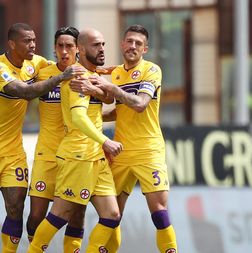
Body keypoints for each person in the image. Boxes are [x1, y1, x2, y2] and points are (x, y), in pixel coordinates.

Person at [0, 22, 84, 253]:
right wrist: (61, 77)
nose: (32, 45)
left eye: (34, 40)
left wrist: (98, 70)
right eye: (26, 41)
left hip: (13, 150)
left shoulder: (36, 63)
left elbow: (62, 65)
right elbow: (25, 91)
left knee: (16, 205)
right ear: (12, 44)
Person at [69, 24, 178, 253]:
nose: (133, 46)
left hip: (149, 150)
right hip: (120, 150)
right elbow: (120, 109)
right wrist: (90, 115)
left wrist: (112, 89)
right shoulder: (116, 72)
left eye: (138, 43)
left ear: (145, 49)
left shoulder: (151, 70)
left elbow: (139, 104)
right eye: (129, 41)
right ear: (122, 44)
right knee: (111, 215)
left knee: (159, 212)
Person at [27, 28, 123, 253]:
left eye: (102, 44)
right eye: (96, 45)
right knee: (56, 215)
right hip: (77, 153)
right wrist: (105, 141)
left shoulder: (93, 76)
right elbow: (79, 117)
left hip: (95, 155)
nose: (101, 49)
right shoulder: (76, 76)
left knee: (112, 215)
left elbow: (104, 102)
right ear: (81, 49)